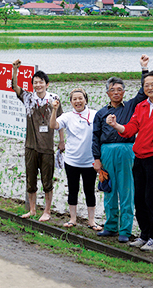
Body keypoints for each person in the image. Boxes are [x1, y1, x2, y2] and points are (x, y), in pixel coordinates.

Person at [106, 71, 153, 252]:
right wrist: (116, 126)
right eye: (146, 85)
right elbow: (131, 129)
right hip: (139, 156)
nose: (149, 88)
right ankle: (144, 235)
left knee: (151, 198)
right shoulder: (140, 106)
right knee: (138, 198)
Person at [92, 55, 149, 243]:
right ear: (107, 93)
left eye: (119, 89)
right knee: (109, 189)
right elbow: (95, 137)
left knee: (126, 190)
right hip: (107, 152)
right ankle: (110, 226)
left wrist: (144, 69)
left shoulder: (131, 106)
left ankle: (125, 229)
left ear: (124, 92)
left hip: (127, 150)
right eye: (112, 90)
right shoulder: (101, 113)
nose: (116, 92)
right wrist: (97, 159)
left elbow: (143, 92)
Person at [11, 60, 59, 221]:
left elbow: (61, 122)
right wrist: (15, 70)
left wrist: (62, 141)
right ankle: (32, 209)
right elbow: (15, 87)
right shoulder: (28, 98)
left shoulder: (54, 100)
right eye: (35, 83)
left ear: (47, 84)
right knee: (30, 180)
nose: (38, 85)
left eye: (41, 82)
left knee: (47, 181)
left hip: (47, 147)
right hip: (30, 146)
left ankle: (47, 211)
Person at [50, 89, 101, 230]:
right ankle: (72, 219)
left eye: (80, 98)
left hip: (90, 161)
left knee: (89, 190)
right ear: (71, 102)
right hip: (72, 160)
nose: (78, 101)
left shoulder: (95, 114)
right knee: (73, 189)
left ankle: (92, 221)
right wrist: (54, 110)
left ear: (86, 99)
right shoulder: (67, 116)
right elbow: (53, 125)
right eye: (74, 99)